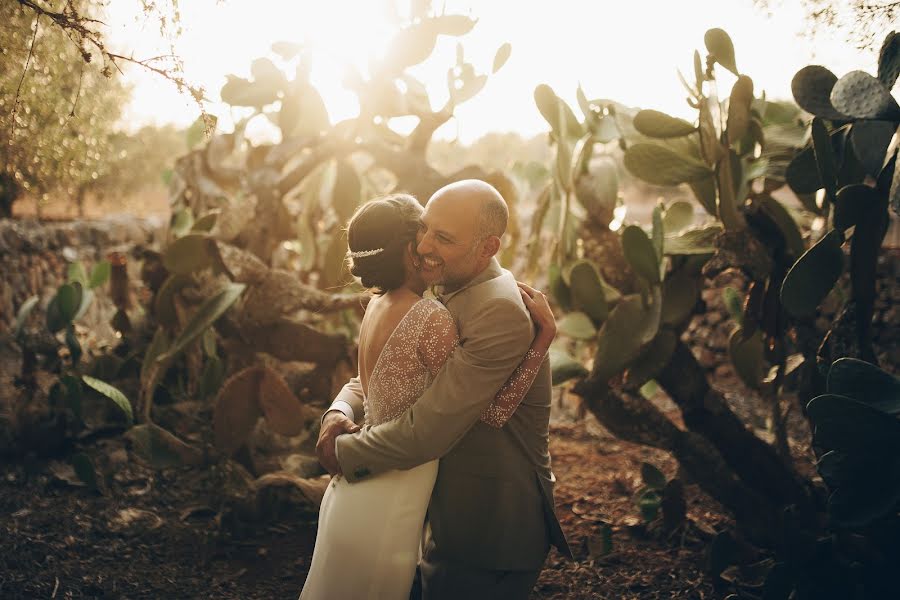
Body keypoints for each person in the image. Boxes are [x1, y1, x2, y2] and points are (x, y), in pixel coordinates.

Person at [308, 180, 571, 600]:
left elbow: (433, 426)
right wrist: (338, 412)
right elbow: (384, 374)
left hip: (488, 524)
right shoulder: (431, 289)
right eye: (424, 228)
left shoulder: (499, 311)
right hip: (435, 509)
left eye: (443, 238)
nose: (423, 245)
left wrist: (339, 454)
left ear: (487, 248)